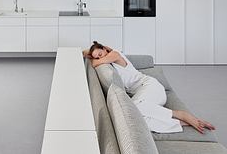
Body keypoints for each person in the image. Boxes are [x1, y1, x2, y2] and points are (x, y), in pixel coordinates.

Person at [84, 41, 215, 134]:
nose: (100, 57)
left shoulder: (115, 54)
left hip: (150, 87)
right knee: (139, 120)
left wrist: (94, 57)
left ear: (106, 49)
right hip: (145, 96)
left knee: (135, 109)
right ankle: (180, 122)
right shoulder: (109, 56)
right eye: (96, 56)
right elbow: (91, 55)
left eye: (100, 53)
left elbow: (96, 63)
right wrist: (92, 53)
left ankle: (179, 114)